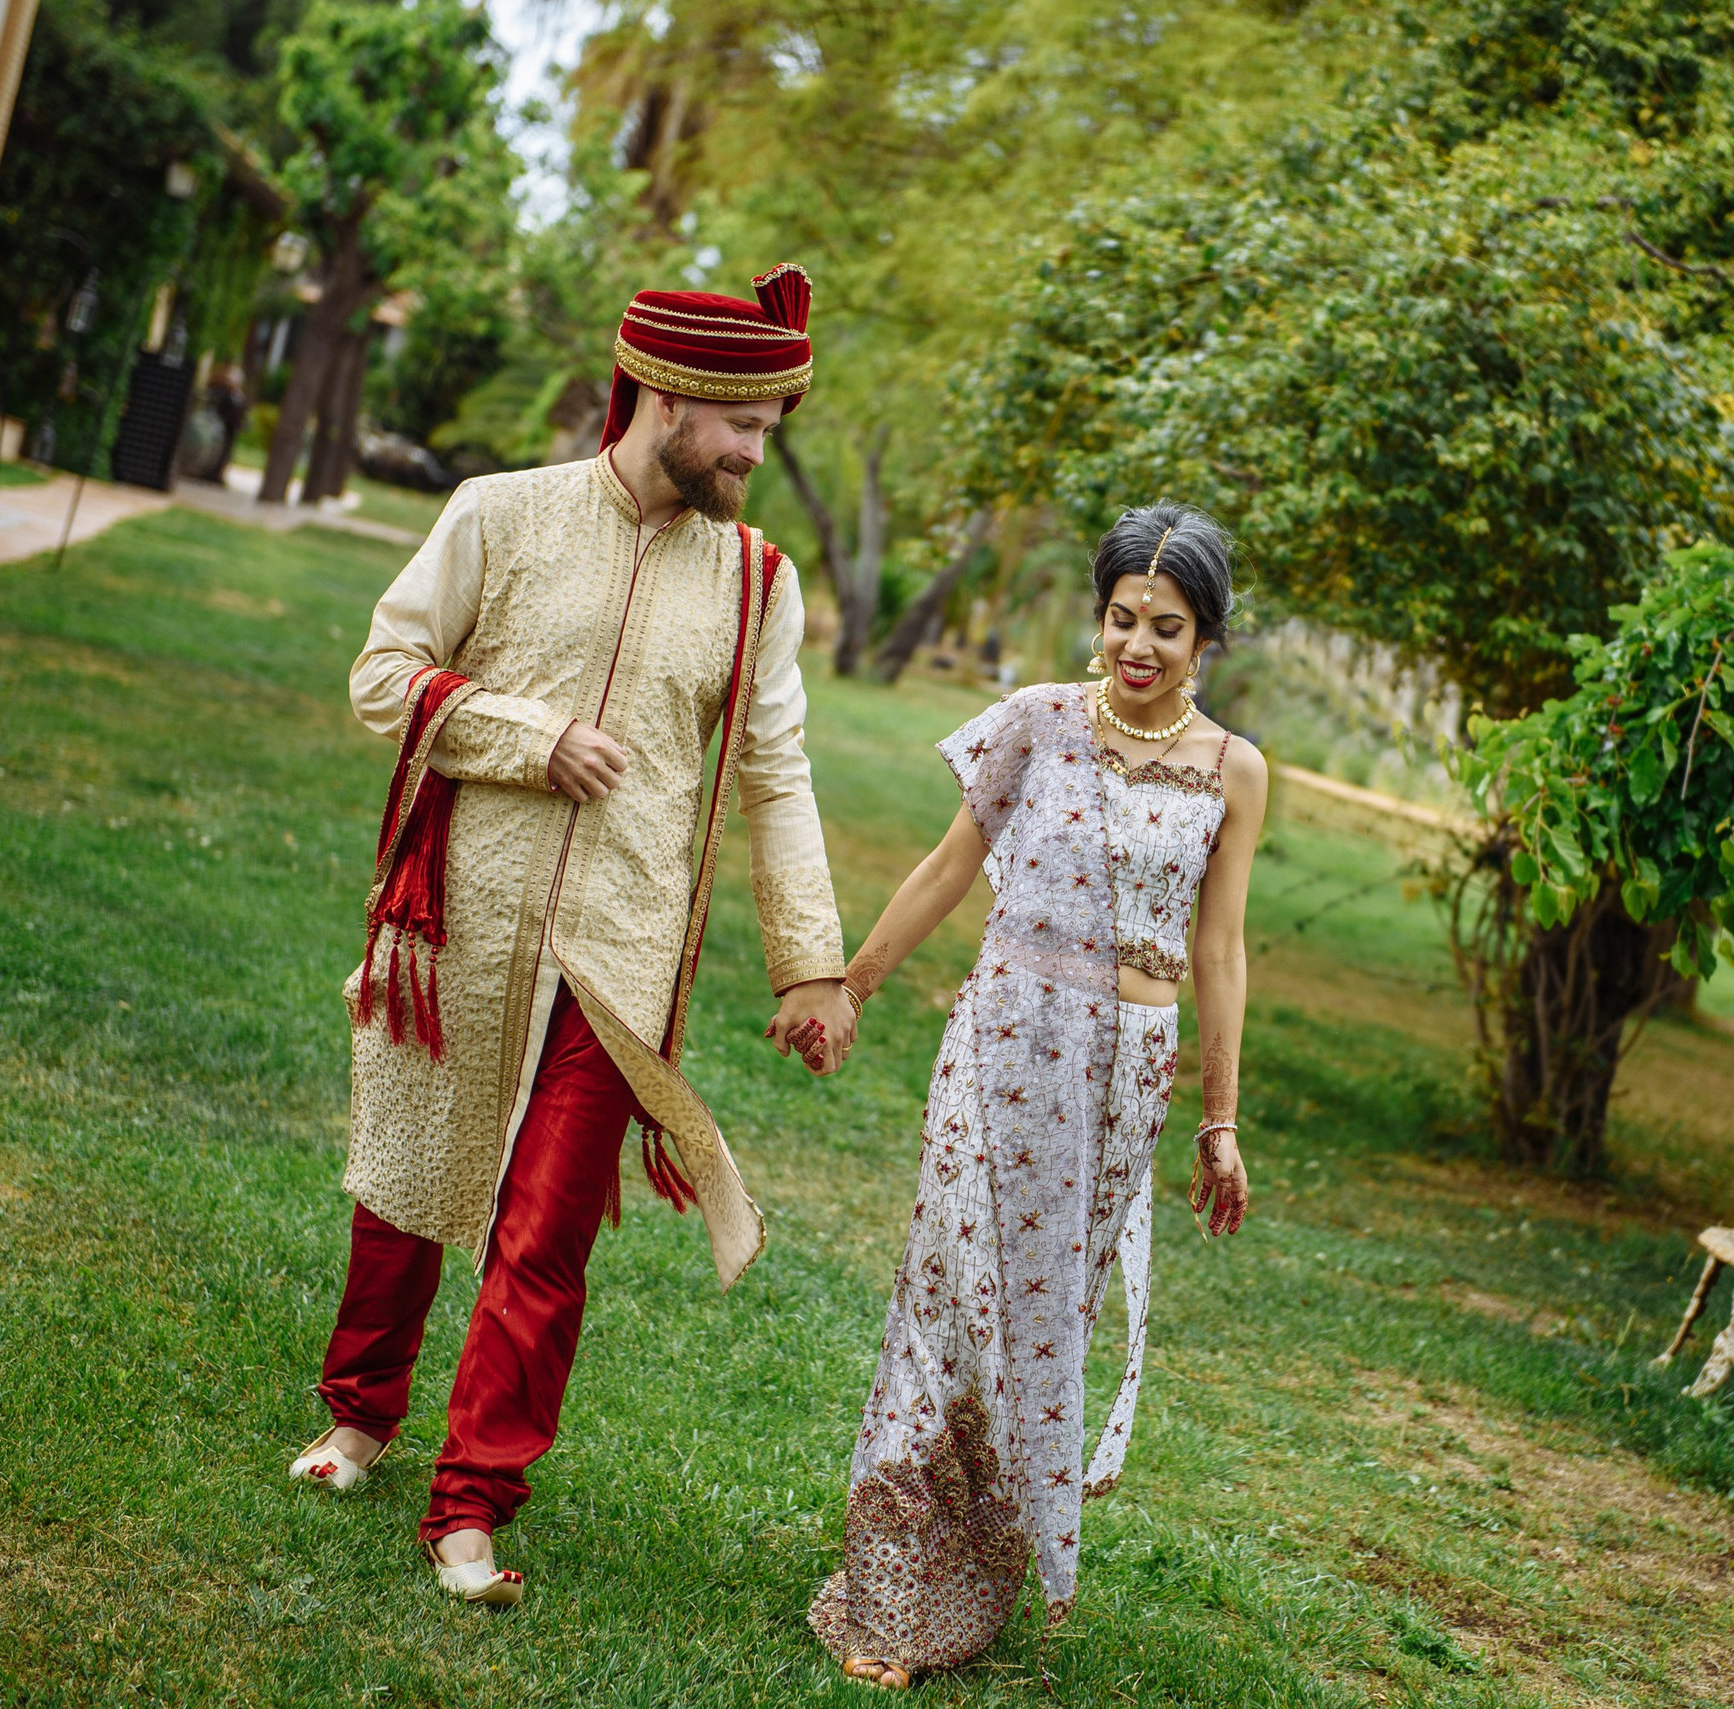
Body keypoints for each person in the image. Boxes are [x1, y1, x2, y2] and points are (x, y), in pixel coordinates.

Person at [285, 266, 860, 1607]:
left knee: (546, 1234)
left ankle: (472, 1502)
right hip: (459, 922)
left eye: (770, 432)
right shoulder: (501, 515)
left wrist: (811, 963)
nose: (755, 456)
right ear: (669, 399)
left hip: (623, 954)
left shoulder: (756, 581)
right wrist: (530, 738)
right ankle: (361, 1415)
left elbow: (775, 771)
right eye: (745, 428)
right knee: (411, 1179)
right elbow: (383, 676)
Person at [808, 503, 1265, 1686]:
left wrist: (1218, 1120)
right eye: (1121, 618)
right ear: (1098, 614)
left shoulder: (1234, 771)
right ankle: (891, 1593)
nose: (1138, 645)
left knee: (1045, 1317)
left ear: (1205, 637)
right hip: (1005, 1039)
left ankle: (976, 1568)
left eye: (1166, 627)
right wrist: (852, 985)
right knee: (947, 1293)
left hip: (1124, 1076)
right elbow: (949, 866)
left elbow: (1221, 949)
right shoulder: (1039, 724)